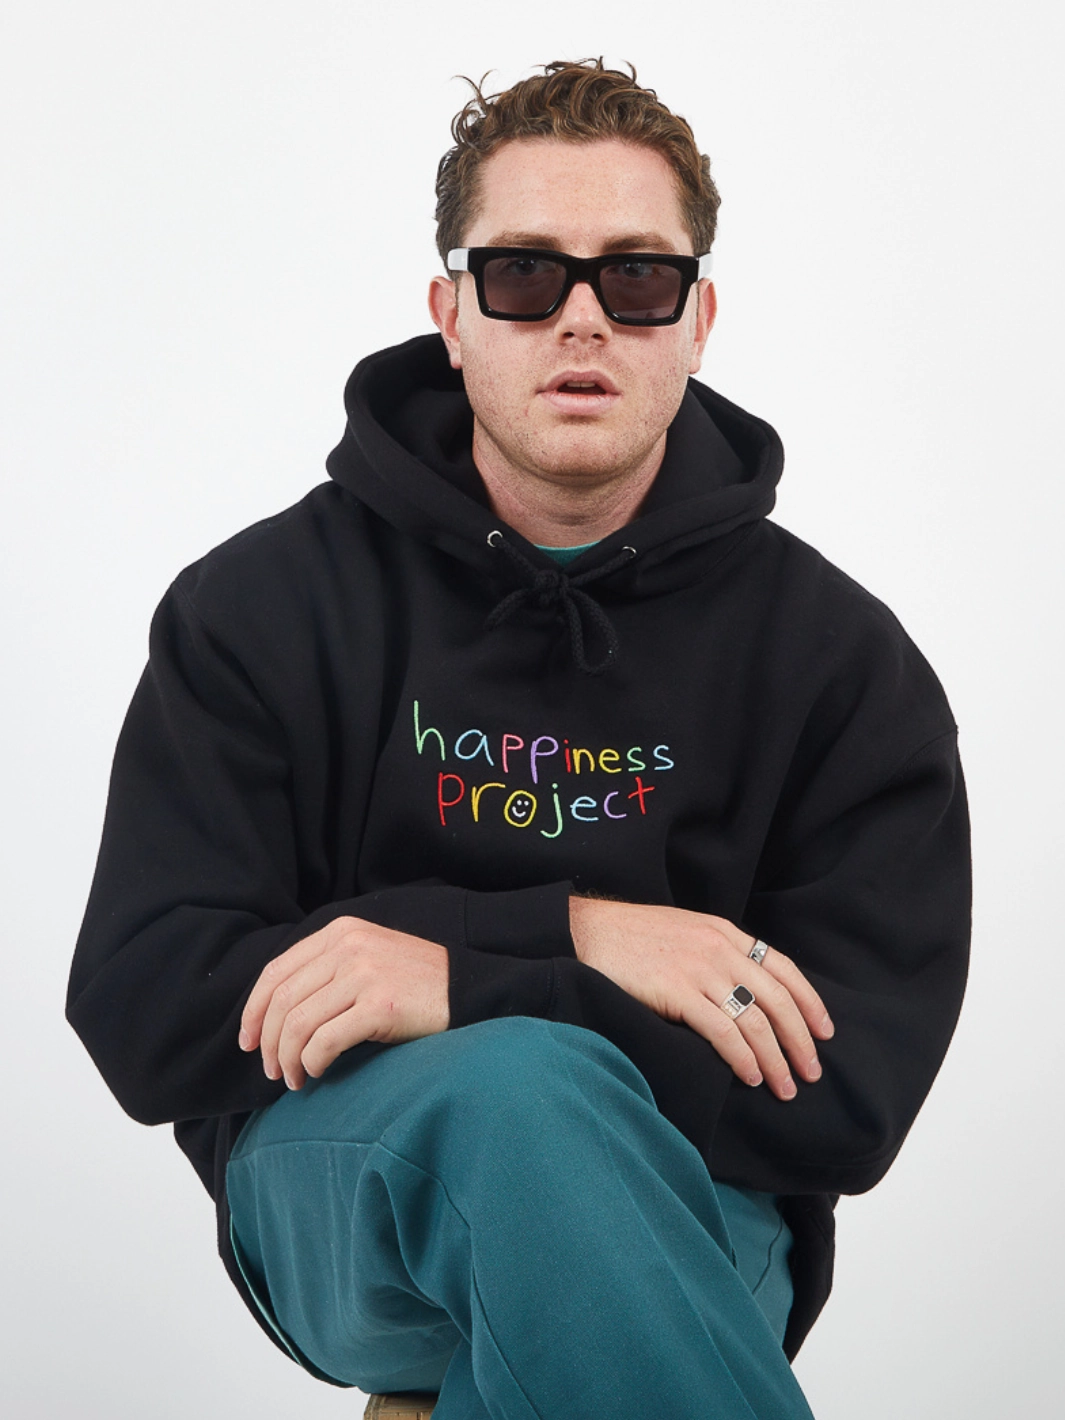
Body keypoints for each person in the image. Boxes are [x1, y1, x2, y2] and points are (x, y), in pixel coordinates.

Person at [67, 59, 971, 1419]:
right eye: (527, 275)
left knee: (570, 1208)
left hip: (704, 1197)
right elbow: (145, 1004)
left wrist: (451, 973)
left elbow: (851, 1095)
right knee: (517, 1097)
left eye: (639, 278)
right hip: (344, 1196)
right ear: (452, 314)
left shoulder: (844, 663)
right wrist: (579, 945)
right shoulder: (258, 608)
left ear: (699, 318)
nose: (583, 318)